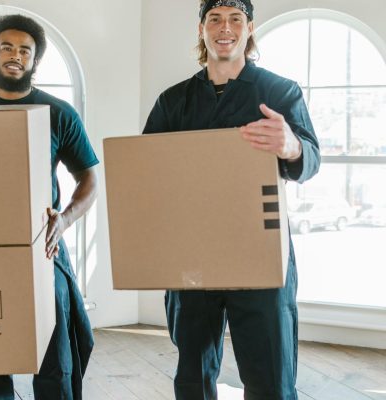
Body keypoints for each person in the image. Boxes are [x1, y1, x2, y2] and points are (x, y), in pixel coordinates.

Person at [143, 1, 320, 399]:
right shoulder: (174, 101)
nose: (225, 28)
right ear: (201, 29)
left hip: (259, 248)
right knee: (192, 372)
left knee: (270, 374)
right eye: (215, 19)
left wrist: (291, 145)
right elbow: (145, 171)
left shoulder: (278, 91)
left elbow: (311, 158)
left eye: (235, 19)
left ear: (249, 28)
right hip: (192, 252)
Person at [0, 14, 99, 400]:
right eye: (6, 47)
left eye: (24, 50)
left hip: (42, 248)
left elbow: (90, 179)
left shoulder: (58, 113)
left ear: (35, 60)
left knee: (55, 358)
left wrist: (64, 220)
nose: (15, 55)